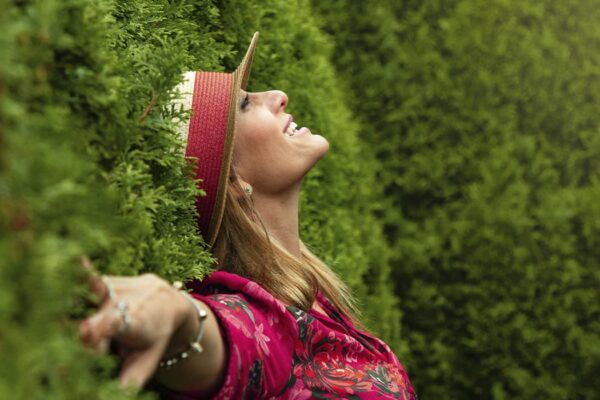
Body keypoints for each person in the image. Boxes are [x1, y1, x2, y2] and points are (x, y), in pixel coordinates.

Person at [79, 32, 417, 400]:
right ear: (233, 182)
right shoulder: (255, 318)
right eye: (244, 105)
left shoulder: (309, 293)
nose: (278, 96)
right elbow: (222, 338)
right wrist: (176, 313)